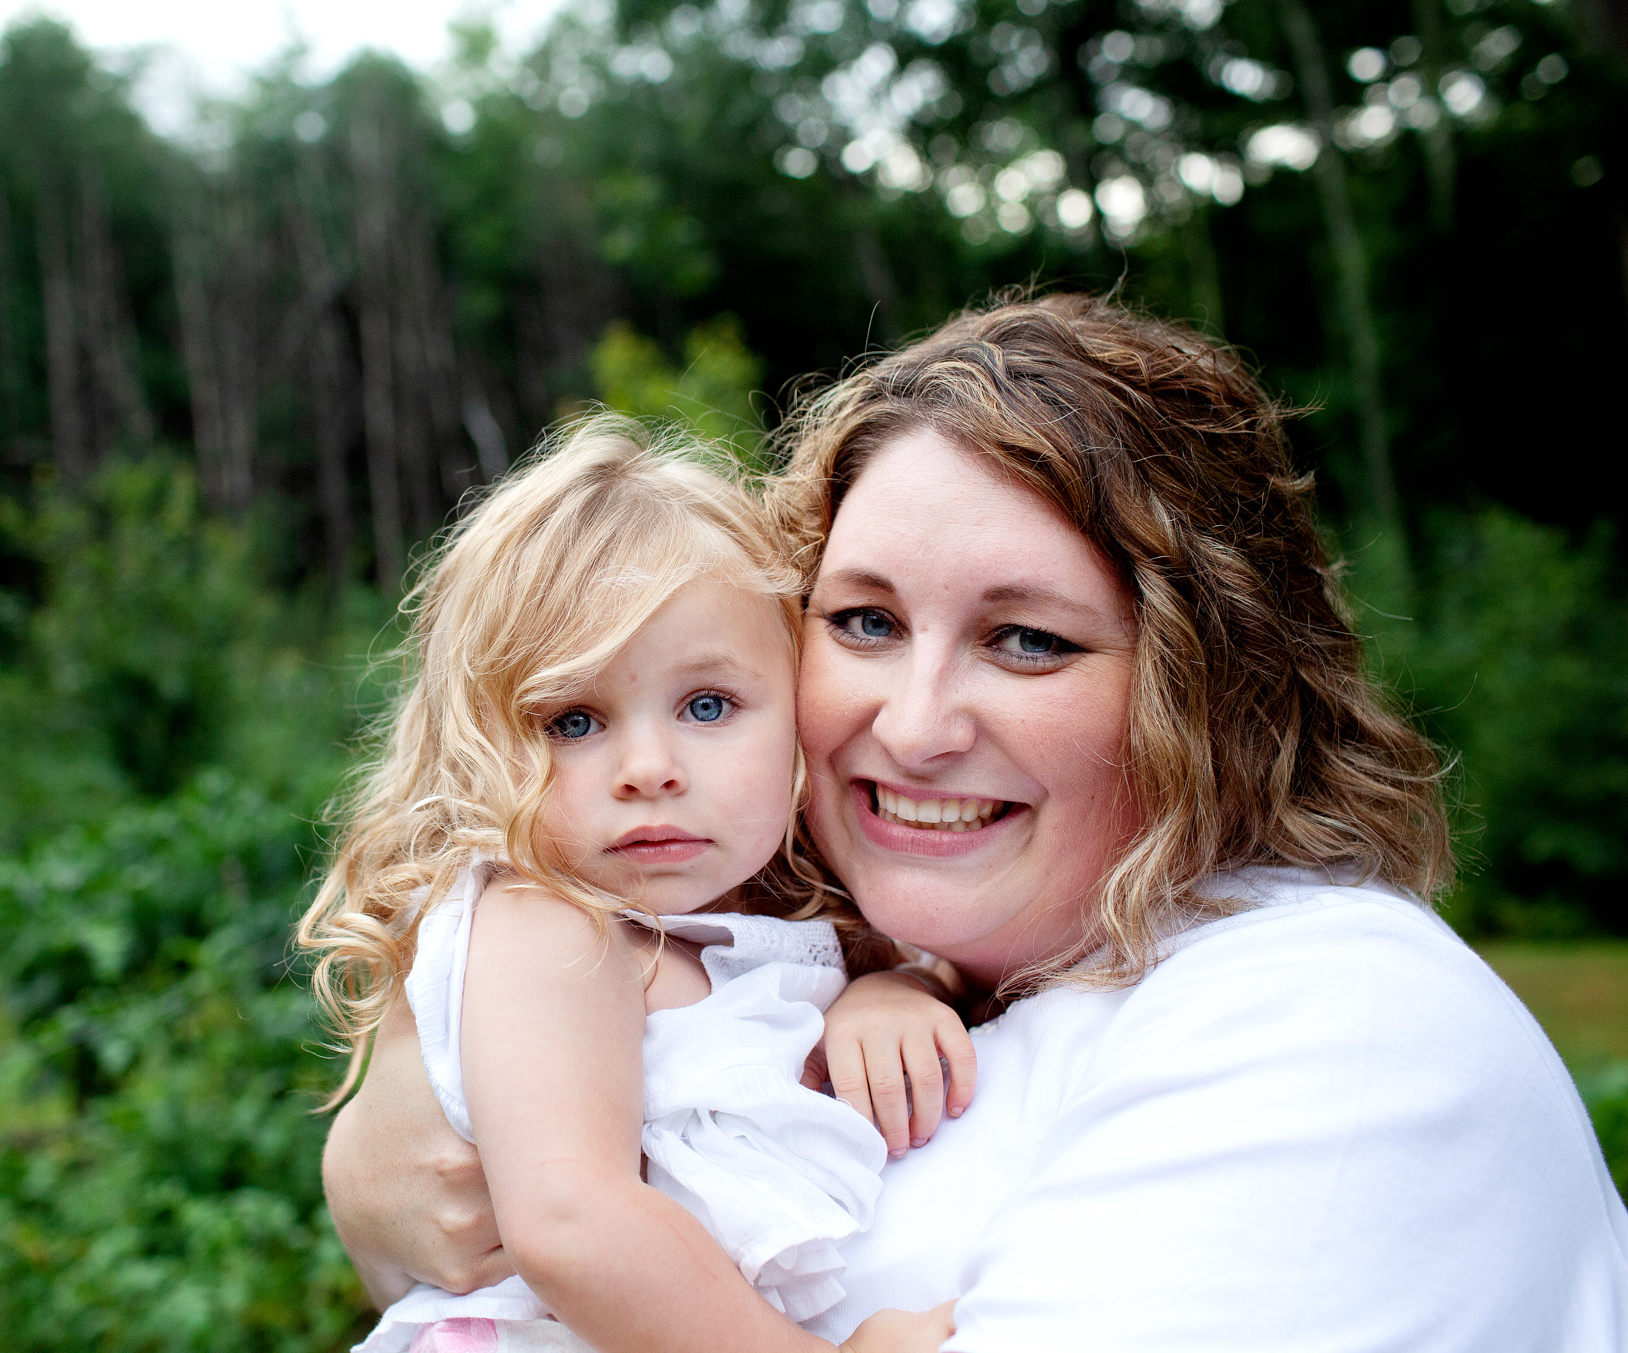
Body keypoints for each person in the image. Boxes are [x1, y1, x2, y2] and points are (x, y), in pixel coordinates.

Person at [321, 291, 1628, 1350]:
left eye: (1027, 638)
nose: (915, 720)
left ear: (1212, 683)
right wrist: (402, 1150)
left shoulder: (1338, 1032)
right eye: (866, 622)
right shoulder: (777, 972)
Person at [296, 423, 971, 1353]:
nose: (648, 768)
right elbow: (573, 1223)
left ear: (797, 707)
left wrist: (893, 989)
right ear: (480, 748)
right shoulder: (547, 924)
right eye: (574, 719)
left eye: (707, 706)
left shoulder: (762, 924)